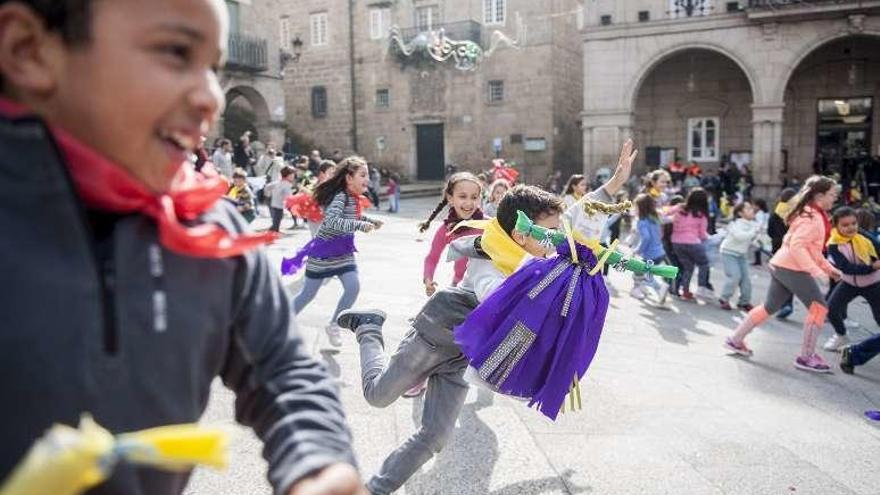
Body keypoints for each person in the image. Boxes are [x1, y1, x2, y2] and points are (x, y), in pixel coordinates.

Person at [0, 1, 361, 493]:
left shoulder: (212, 229)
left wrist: (317, 463)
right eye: (174, 52)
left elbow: (283, 366)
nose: (211, 96)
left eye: (212, 68)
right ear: (27, 50)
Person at [333, 185, 565, 495]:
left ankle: (375, 489)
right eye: (550, 233)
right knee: (377, 396)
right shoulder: (491, 256)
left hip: (461, 358)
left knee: (435, 435)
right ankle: (368, 327)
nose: (557, 240)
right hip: (433, 342)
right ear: (522, 233)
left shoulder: (537, 259)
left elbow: (576, 224)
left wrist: (611, 190)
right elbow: (492, 295)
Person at [724, 176, 843, 373]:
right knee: (819, 308)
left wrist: (828, 269)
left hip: (782, 264)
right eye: (833, 195)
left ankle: (735, 340)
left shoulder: (811, 214)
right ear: (820, 196)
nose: (835, 199)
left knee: (770, 307)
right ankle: (806, 357)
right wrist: (817, 271)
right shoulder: (813, 217)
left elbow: (811, 249)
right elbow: (798, 246)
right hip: (791, 267)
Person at [283, 157, 383, 348]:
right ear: (348, 178)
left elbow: (354, 215)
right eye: (363, 175)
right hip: (323, 253)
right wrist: (360, 225)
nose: (367, 179)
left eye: (367, 175)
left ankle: (334, 325)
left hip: (343, 253)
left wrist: (369, 221)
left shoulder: (353, 199)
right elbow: (331, 222)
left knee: (353, 287)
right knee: (307, 294)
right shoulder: (340, 197)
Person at [823, 207, 880, 351]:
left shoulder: (865, 236)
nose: (851, 228)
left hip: (873, 284)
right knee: (831, 309)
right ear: (836, 226)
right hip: (848, 283)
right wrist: (872, 267)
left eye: (854, 223)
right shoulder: (834, 244)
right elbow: (846, 268)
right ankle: (841, 336)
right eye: (845, 225)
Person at [419, 173, 485, 297]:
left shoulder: (489, 225)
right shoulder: (446, 229)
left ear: (480, 199)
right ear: (450, 198)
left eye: (474, 197)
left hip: (488, 288)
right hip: (459, 288)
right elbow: (432, 258)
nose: (469, 203)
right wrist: (428, 280)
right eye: (462, 196)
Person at [671, 188, 713, 301]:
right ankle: (701, 287)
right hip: (693, 243)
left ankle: (685, 291)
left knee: (688, 267)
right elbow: (703, 235)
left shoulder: (680, 208)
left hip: (676, 243)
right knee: (704, 264)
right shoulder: (701, 215)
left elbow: (666, 212)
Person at [718, 201, 760, 311]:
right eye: (748, 209)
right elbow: (740, 237)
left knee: (746, 279)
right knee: (735, 276)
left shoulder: (754, 224)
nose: (752, 210)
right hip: (728, 252)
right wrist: (753, 233)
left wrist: (757, 240)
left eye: (751, 208)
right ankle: (724, 298)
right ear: (740, 213)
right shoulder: (734, 224)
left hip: (741, 254)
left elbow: (753, 239)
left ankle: (744, 302)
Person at [631, 193, 669, 304]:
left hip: (650, 254)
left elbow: (646, 238)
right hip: (660, 252)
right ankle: (652, 291)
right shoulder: (655, 218)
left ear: (640, 208)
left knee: (641, 274)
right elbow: (659, 234)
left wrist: (638, 250)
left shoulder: (641, 222)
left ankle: (659, 288)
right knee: (646, 274)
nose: (634, 209)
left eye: (636, 206)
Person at [768, 188, 798, 319]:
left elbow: (769, 231)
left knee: (778, 278)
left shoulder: (775, 213)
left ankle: (777, 304)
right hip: (792, 249)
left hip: (777, 249)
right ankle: (787, 304)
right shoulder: (797, 214)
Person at [269, 165, 296, 233]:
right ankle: (274, 231)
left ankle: (273, 230)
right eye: (292, 175)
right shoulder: (287, 184)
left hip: (274, 203)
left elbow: (268, 186)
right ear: (288, 175)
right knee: (278, 218)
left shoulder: (279, 182)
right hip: (279, 204)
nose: (293, 176)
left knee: (277, 218)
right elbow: (289, 196)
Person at [751, 198, 770, 266]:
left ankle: (759, 260)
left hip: (760, 231)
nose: (753, 207)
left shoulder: (759, 213)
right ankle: (758, 261)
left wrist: (756, 230)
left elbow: (760, 223)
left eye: (754, 205)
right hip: (765, 231)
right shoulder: (766, 213)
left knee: (759, 246)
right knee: (759, 246)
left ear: (758, 206)